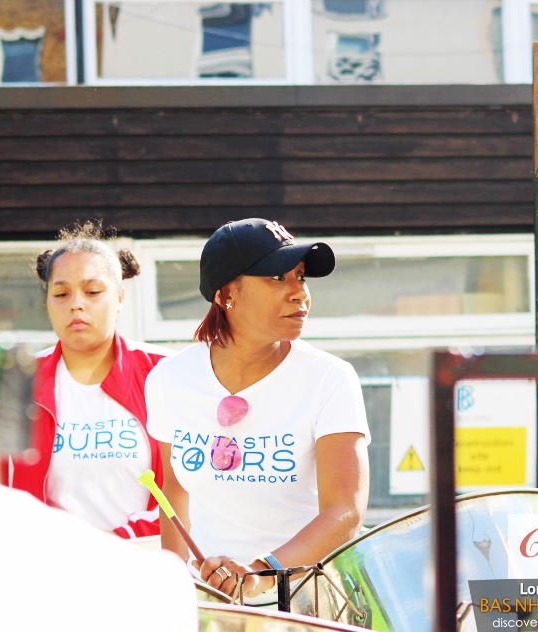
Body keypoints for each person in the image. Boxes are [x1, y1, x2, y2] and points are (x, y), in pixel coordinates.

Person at [145, 218, 371, 599]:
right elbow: (175, 493)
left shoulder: (330, 378)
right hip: (208, 605)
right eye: (278, 278)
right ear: (226, 294)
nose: (300, 293)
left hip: (303, 603)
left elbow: (344, 510)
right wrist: (174, 594)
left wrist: (260, 573)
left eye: (301, 277)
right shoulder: (170, 378)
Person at [0, 223, 172, 539]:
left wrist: (116, 541)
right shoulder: (16, 380)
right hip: (44, 569)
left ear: (120, 298)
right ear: (47, 302)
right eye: (61, 293)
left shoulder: (162, 374)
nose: (76, 304)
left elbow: (192, 493)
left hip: (142, 566)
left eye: (93, 292)